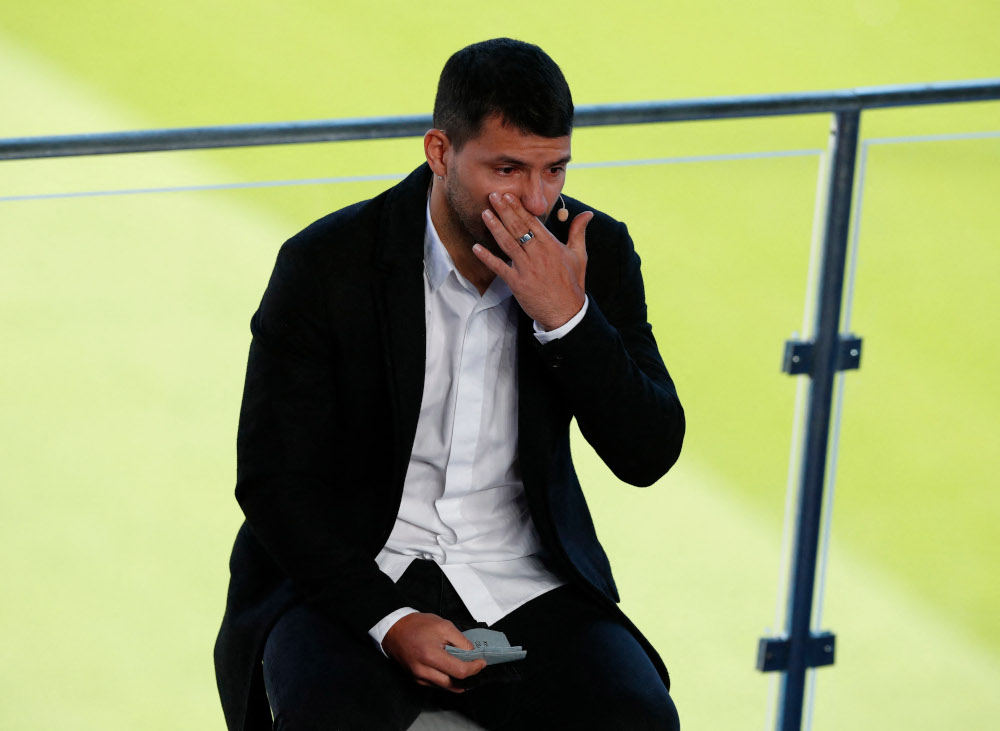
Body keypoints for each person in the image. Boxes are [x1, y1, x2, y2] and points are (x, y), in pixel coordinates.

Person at [214, 37, 685, 731]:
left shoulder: (590, 251)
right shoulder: (326, 264)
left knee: (638, 717)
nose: (536, 198)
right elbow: (272, 482)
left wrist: (569, 319)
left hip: (524, 576)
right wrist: (389, 618)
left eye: (555, 168)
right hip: (350, 577)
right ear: (440, 152)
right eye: (508, 168)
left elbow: (648, 453)